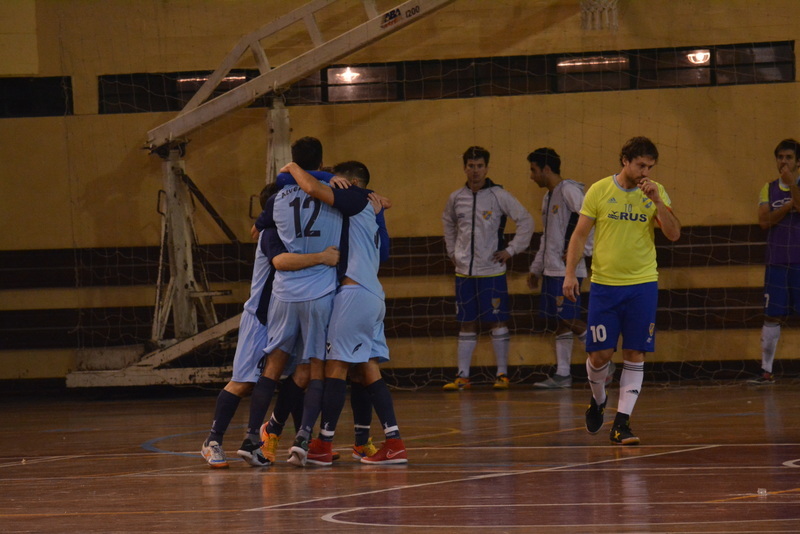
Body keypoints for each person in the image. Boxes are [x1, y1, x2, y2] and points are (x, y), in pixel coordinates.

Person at [200, 184, 339, 468]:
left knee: (300, 376)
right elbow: (282, 262)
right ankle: (212, 440)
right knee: (243, 382)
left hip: (286, 311)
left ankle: (282, 436)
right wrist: (322, 257)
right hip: (260, 317)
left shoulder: (296, 233)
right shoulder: (272, 233)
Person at [281, 160, 407, 466]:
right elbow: (385, 250)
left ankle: (323, 445)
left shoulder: (354, 198)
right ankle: (394, 442)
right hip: (372, 293)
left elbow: (308, 185)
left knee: (333, 367)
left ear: (348, 182)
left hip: (354, 293)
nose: (333, 185)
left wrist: (296, 166)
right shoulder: (370, 208)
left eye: (338, 181)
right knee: (367, 368)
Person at [563, 136, 681, 445]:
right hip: (605, 286)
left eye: (650, 167)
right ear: (625, 161)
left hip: (642, 284)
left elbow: (673, 234)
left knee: (635, 351)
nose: (645, 172)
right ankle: (598, 399)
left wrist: (657, 201)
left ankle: (622, 423)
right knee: (600, 355)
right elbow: (578, 235)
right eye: (641, 165)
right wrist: (570, 274)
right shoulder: (600, 190)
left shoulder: (655, 192)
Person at [442, 146, 534, 390]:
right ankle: (462, 376)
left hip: (492, 272)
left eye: (480, 166)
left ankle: (502, 374)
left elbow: (526, 220)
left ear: (487, 167)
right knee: (466, 322)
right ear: (464, 168)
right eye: (471, 166)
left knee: (497, 321)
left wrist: (511, 250)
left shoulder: (498, 195)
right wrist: (453, 252)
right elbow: (448, 224)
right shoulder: (456, 198)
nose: (475, 171)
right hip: (464, 273)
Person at [526, 147, 603, 389]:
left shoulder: (569, 190)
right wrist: (537, 268)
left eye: (533, 170)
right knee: (560, 321)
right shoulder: (549, 197)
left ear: (546, 169)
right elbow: (548, 237)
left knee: (569, 318)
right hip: (552, 270)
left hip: (567, 270)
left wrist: (582, 252)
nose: (531, 176)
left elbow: (590, 220)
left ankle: (604, 361)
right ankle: (563, 374)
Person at [751, 138, 800, 384]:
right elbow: (764, 221)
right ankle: (766, 370)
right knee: (772, 316)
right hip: (777, 261)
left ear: (798, 162)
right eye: (780, 157)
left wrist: (793, 188)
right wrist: (790, 204)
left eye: (789, 157)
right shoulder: (768, 188)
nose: (783, 162)